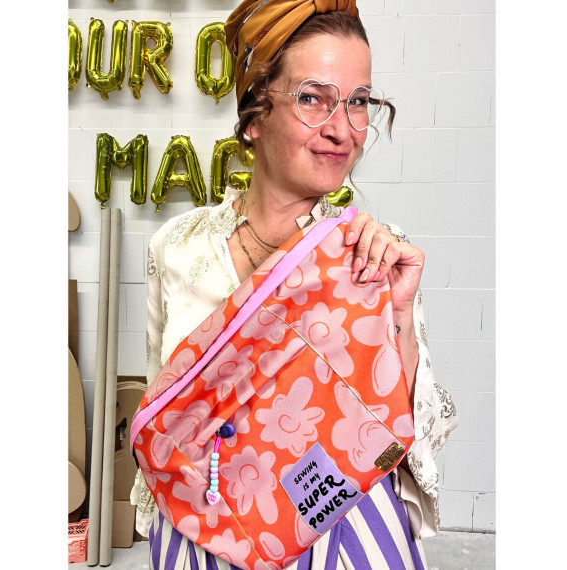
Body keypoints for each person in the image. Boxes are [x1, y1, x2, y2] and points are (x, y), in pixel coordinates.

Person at [130, 1, 458, 568]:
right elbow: (165, 409)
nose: (343, 129)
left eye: (359, 101)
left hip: (343, 526)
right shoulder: (178, 248)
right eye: (312, 98)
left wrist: (399, 313)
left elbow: (406, 428)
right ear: (254, 115)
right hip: (203, 528)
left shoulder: (372, 253)